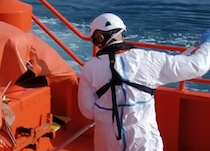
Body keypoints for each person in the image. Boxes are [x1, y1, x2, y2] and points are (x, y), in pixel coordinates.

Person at [77, 13, 210, 151]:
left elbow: (87, 111)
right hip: (143, 136)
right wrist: (207, 44)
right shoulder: (148, 59)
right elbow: (197, 66)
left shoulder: (89, 68)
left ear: (99, 38)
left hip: (107, 137)